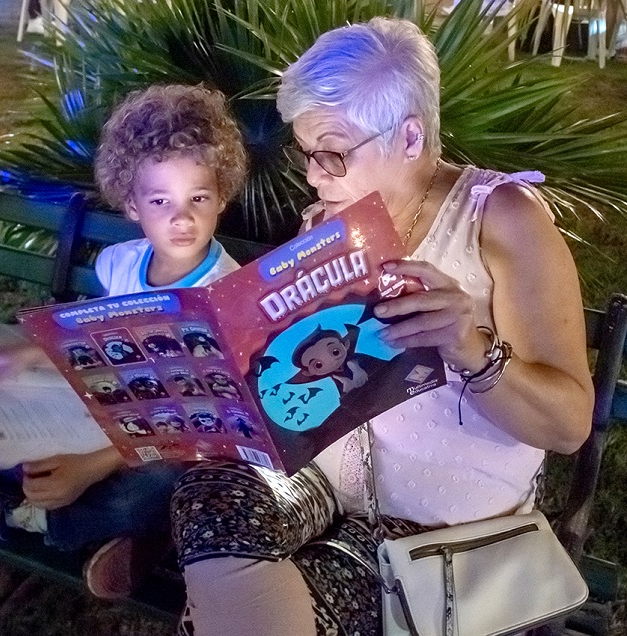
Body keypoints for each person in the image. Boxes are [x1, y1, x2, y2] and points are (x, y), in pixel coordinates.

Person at [169, 17, 594, 636]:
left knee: (258, 607)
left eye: (334, 152)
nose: (315, 176)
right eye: (307, 153)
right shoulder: (327, 222)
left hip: (441, 532)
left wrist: (469, 349)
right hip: (321, 486)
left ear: (412, 136)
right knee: (207, 492)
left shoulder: (501, 218)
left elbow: (569, 425)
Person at [0, 83, 248, 598]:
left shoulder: (225, 292)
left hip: (165, 437)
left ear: (221, 196)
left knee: (150, 489)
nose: (182, 217)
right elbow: (87, 336)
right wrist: (21, 354)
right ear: (131, 204)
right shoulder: (122, 262)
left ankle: (27, 514)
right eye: (160, 200)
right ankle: (81, 510)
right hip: (100, 405)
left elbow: (200, 419)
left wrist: (93, 466)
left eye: (198, 197)